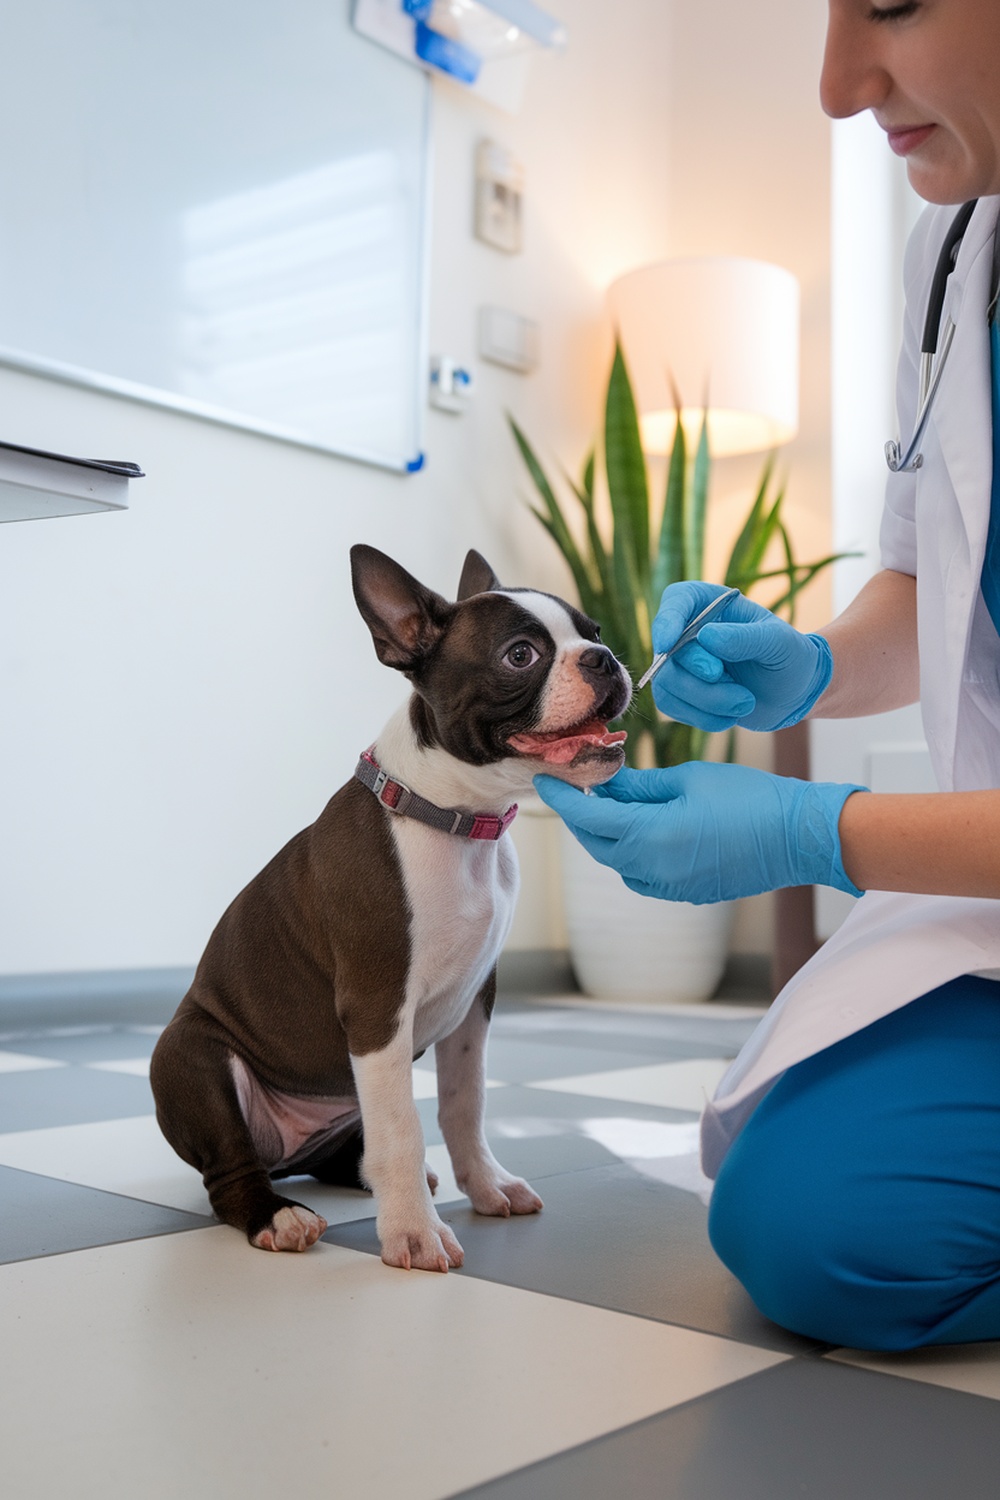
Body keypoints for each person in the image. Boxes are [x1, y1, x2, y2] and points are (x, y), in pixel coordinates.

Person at [535, 0, 1000, 1352]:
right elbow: (928, 579)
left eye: (896, 3)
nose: (838, 82)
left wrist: (815, 832)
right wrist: (804, 669)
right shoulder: (957, 242)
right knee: (811, 1220)